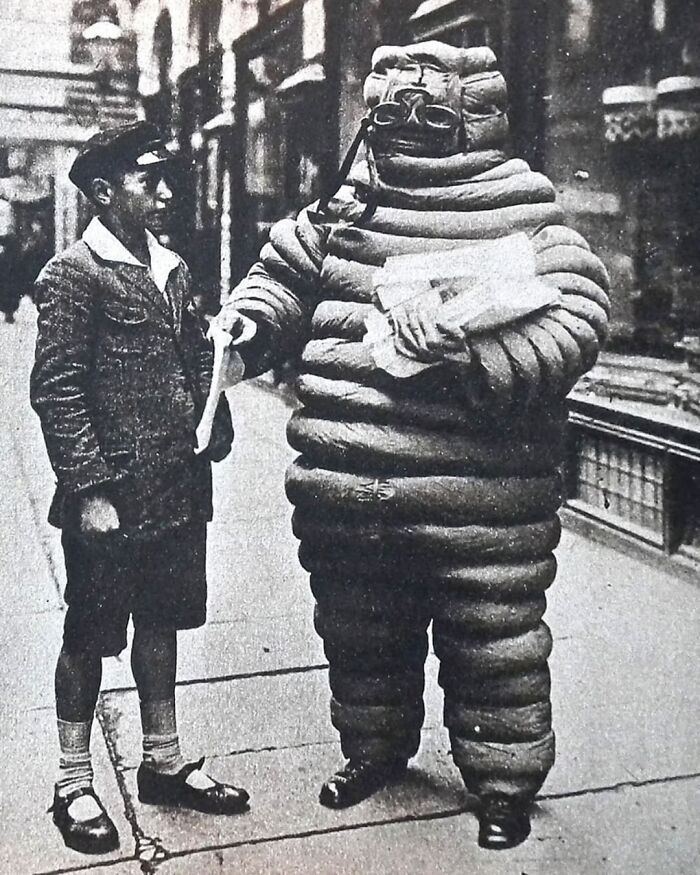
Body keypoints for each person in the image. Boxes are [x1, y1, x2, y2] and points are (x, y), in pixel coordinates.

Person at [214, 42, 610, 850]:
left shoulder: (523, 210)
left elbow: (577, 318)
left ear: (469, 116)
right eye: (388, 111)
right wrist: (248, 326)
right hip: (348, 487)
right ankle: (375, 750)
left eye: (423, 112)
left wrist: (470, 352)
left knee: (493, 644)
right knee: (363, 635)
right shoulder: (346, 210)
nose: (400, 127)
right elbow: (282, 276)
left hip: (481, 503)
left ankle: (501, 781)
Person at [30, 121, 249, 857]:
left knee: (163, 621)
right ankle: (72, 780)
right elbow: (56, 389)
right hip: (112, 498)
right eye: (145, 181)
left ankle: (163, 760)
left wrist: (216, 397)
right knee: (90, 633)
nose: (163, 192)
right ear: (101, 192)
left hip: (175, 491)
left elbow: (195, 364)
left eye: (167, 179)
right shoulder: (75, 273)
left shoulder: (176, 269)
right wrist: (88, 487)